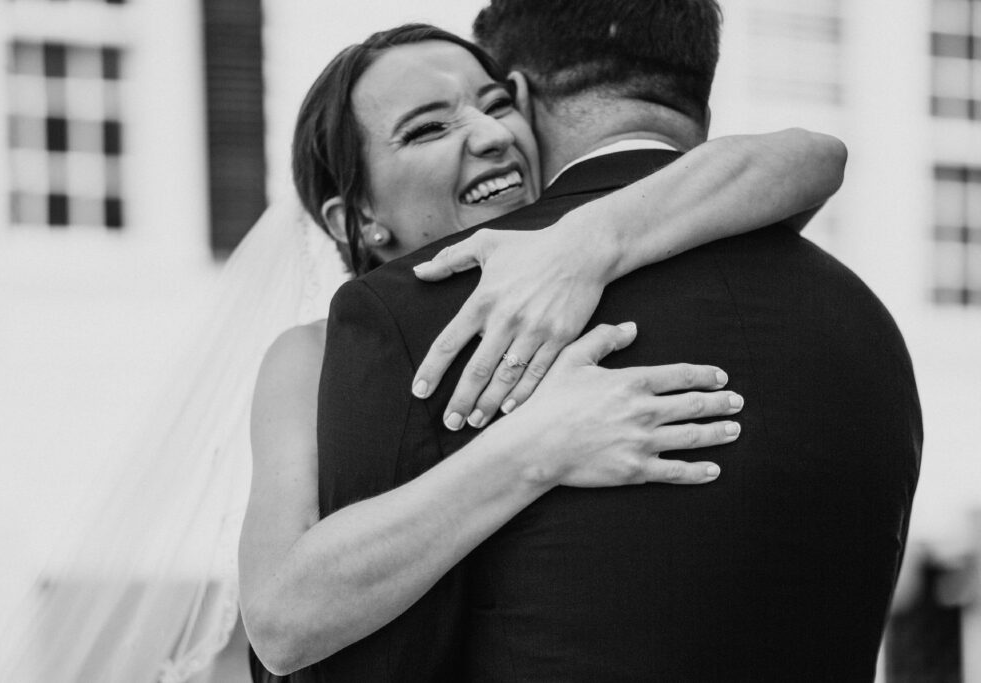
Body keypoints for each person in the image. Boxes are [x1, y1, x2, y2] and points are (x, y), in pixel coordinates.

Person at [302, 2, 922, 681]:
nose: (485, 136)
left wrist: (588, 241)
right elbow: (287, 617)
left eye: (491, 105)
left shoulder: (418, 320)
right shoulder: (865, 321)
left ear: (522, 97)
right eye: (427, 128)